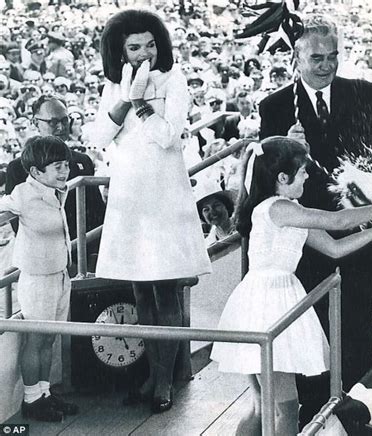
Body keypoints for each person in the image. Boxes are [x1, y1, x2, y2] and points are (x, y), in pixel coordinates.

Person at [210, 137, 372, 436]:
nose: (308, 176)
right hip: (266, 303)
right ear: (282, 178)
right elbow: (337, 221)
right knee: (283, 407)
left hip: (276, 298)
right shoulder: (277, 207)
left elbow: (334, 248)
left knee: (266, 405)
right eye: (302, 171)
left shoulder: (291, 210)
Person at [258, 16, 372, 424]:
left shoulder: (366, 94)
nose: (327, 65)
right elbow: (269, 179)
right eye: (316, 57)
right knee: (310, 337)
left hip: (357, 234)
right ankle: (315, 416)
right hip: (304, 240)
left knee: (356, 328)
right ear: (296, 57)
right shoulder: (276, 107)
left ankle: (359, 413)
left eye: (333, 56)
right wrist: (286, 141)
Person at [94, 9, 211, 413]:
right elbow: (98, 136)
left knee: (166, 291)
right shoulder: (114, 85)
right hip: (130, 198)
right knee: (140, 289)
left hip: (164, 195)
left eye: (150, 44)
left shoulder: (175, 81)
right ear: (120, 52)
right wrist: (126, 100)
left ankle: (165, 380)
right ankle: (150, 375)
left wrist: (142, 104)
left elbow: (167, 137)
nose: (144, 53)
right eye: (134, 47)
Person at [0, 135, 78, 421]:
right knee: (36, 339)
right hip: (36, 278)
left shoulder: (58, 189)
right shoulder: (23, 193)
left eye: (66, 165)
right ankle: (31, 400)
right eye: (57, 166)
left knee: (49, 339)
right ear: (36, 172)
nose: (64, 171)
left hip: (59, 273)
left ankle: (44, 393)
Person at [5, 95, 106, 272]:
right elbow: (18, 224)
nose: (60, 127)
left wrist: (90, 257)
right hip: (44, 261)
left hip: (84, 255)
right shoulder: (18, 168)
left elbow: (97, 213)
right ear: (36, 123)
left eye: (64, 120)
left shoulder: (83, 161)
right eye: (52, 122)